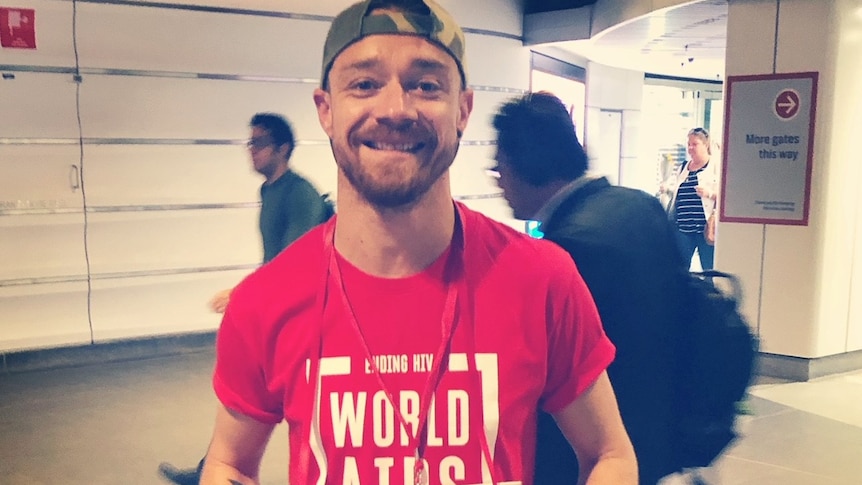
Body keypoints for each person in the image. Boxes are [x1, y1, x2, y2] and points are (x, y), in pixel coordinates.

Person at [199, 1, 637, 484]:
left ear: (462, 110)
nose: (394, 109)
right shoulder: (266, 301)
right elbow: (229, 463)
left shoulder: (541, 278)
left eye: (426, 85)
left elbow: (608, 453)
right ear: (326, 110)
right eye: (364, 84)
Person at [490, 91, 686, 484]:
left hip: (599, 452)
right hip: (662, 431)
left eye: (500, 170)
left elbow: (569, 371)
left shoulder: (566, 251)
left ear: (526, 165)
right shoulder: (640, 207)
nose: (500, 186)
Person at [158, 112, 331, 485]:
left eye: (259, 143)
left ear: (282, 148)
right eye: (249, 143)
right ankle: (213, 468)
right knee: (242, 405)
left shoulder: (300, 193)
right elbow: (273, 259)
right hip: (279, 308)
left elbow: (295, 260)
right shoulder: (270, 190)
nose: (251, 151)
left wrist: (242, 293)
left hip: (311, 315)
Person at [661, 127, 719, 271]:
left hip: (705, 228)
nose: (690, 148)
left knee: (709, 268)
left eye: (695, 144)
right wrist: (667, 189)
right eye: (689, 144)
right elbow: (677, 192)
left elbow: (727, 197)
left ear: (706, 144)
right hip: (683, 227)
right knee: (680, 268)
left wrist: (709, 194)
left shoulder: (716, 166)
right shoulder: (683, 167)